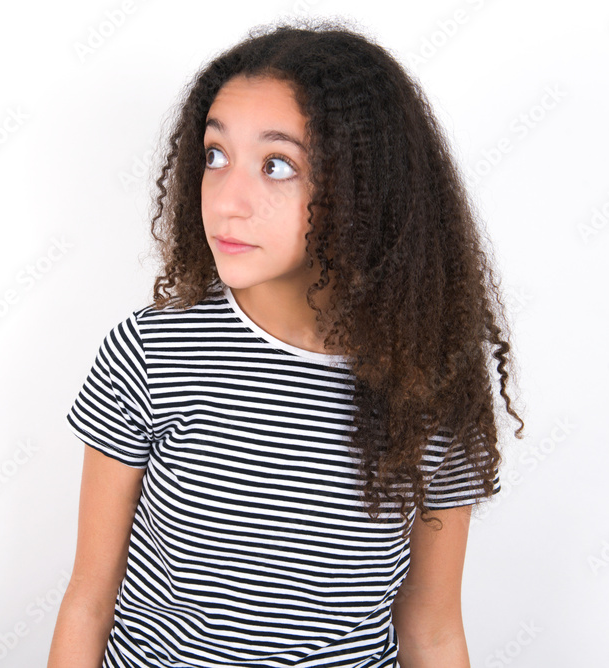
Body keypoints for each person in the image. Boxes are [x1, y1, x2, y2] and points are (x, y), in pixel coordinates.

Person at [48, 17, 525, 668]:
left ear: (367, 189)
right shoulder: (151, 355)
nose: (227, 201)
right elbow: (88, 602)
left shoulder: (432, 381)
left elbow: (433, 628)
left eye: (277, 165)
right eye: (215, 156)